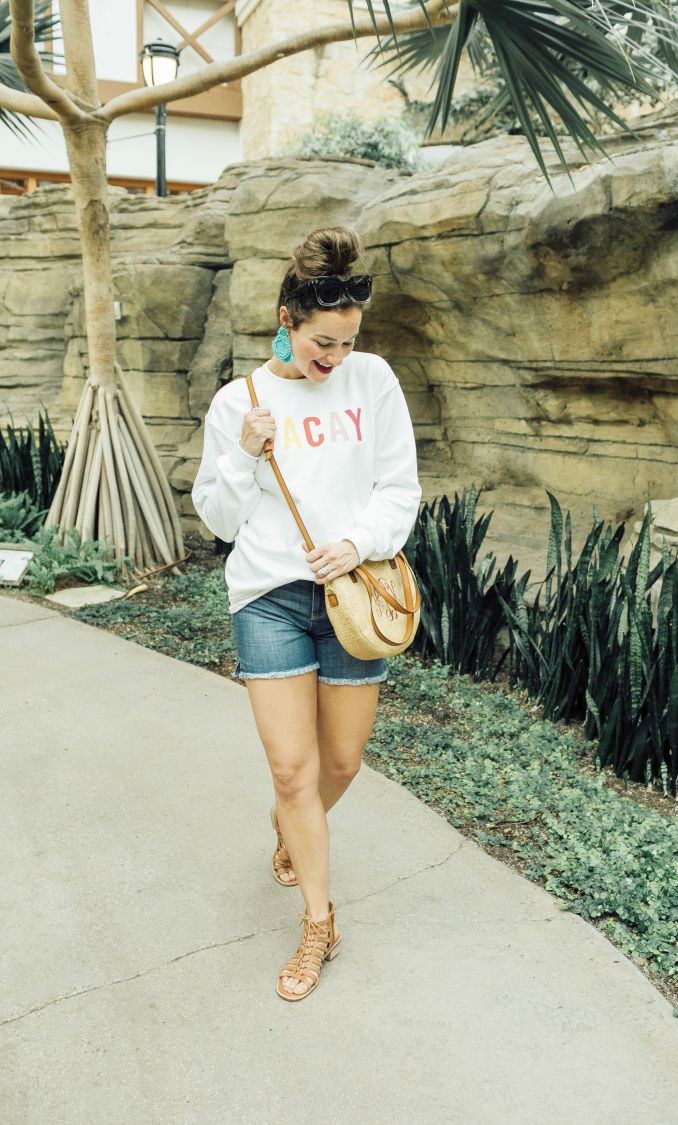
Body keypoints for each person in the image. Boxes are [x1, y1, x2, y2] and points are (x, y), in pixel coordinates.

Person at [191, 226, 422, 1001]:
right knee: (294, 769)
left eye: (349, 342)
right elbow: (219, 519)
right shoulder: (240, 402)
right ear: (286, 320)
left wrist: (355, 540)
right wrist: (244, 454)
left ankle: (294, 821)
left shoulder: (374, 382)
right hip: (271, 596)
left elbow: (400, 488)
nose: (336, 358)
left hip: (354, 593)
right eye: (324, 342)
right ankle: (318, 923)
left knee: (341, 765)